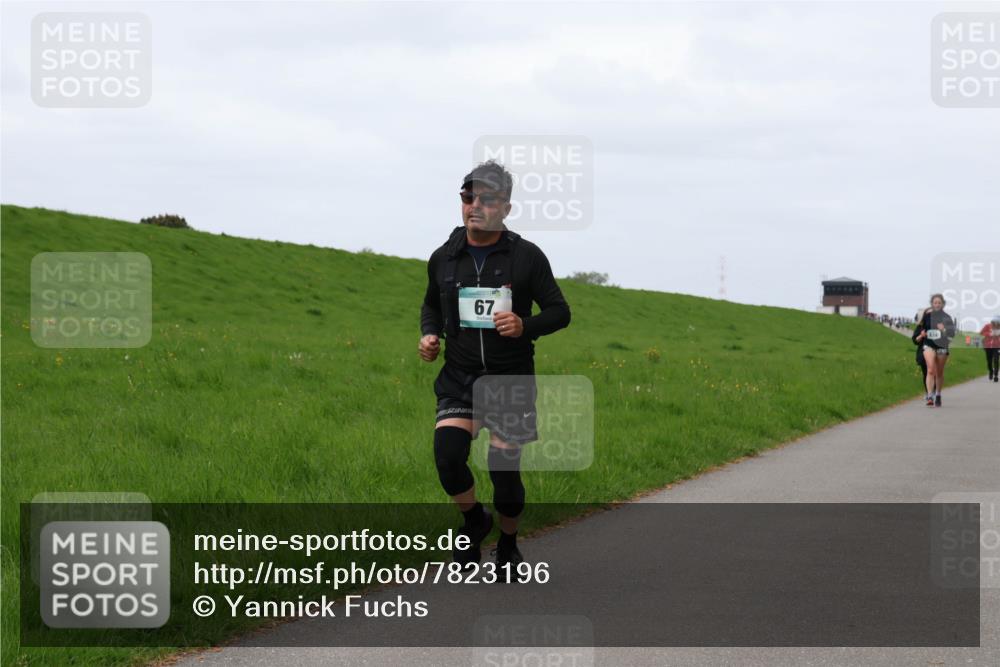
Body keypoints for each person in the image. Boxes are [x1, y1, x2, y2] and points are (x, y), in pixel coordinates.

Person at [419, 160, 571, 576]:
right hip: (460, 377)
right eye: (469, 197)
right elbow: (432, 304)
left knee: (503, 472)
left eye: (486, 199)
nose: (475, 206)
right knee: (447, 457)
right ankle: (473, 520)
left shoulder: (526, 257)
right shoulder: (444, 258)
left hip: (510, 380)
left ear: (505, 206)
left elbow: (560, 312)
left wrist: (526, 325)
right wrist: (429, 335)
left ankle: (507, 542)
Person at [920, 294, 957, 407]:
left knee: (939, 372)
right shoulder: (927, 316)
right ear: (932, 304)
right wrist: (923, 333)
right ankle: (930, 396)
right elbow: (922, 329)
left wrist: (944, 329)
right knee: (931, 369)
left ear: (943, 304)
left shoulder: (947, 317)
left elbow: (951, 334)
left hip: (942, 346)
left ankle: (938, 394)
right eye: (935, 302)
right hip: (929, 344)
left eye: (939, 303)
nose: (937, 304)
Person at [980, 315, 1000, 382]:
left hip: (997, 346)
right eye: (995, 322)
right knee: (989, 361)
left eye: (998, 322)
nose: (996, 324)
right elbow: (981, 332)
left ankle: (996, 375)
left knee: (996, 360)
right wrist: (989, 334)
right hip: (988, 346)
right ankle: (991, 371)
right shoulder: (987, 326)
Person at [912, 312, 929, 389]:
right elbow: (915, 340)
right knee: (926, 373)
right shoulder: (920, 327)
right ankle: (929, 393)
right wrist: (921, 335)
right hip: (923, 353)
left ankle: (934, 391)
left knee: (933, 372)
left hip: (935, 352)